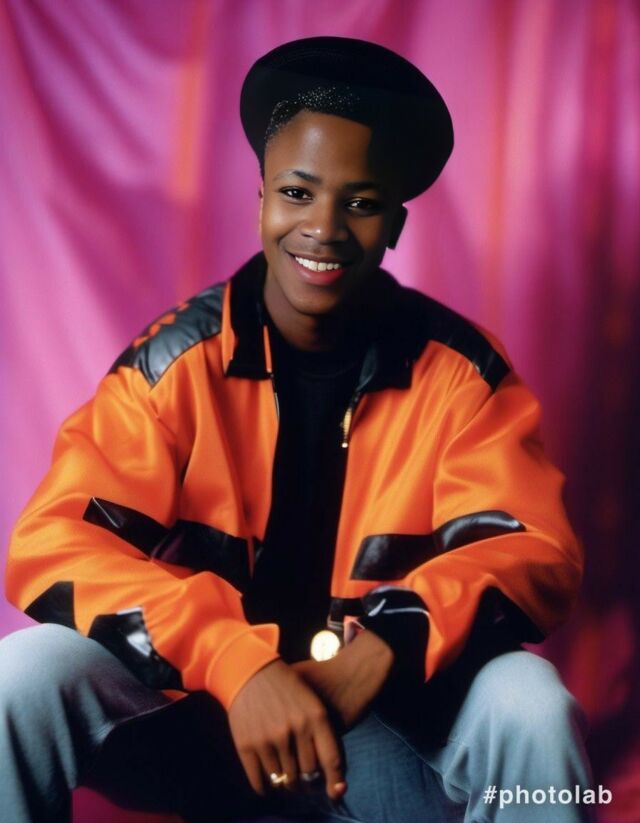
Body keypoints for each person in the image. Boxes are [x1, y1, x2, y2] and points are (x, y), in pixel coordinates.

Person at [1, 36, 593, 823]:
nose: (323, 227)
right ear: (261, 200)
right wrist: (234, 661)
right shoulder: (174, 365)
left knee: (533, 704)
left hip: (377, 739)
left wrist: (386, 646)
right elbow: (55, 542)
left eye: (361, 202)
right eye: (297, 192)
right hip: (202, 729)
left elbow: (532, 548)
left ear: (396, 223)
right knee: (20, 675)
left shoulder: (461, 373)